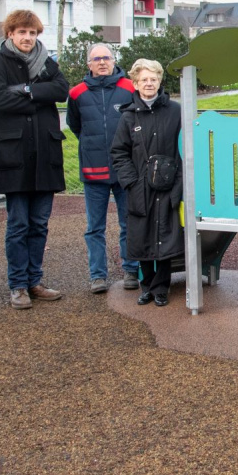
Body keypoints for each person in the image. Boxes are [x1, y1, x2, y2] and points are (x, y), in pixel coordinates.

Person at [0, 10, 70, 310]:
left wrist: (26, 90)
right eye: (22, 32)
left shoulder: (47, 61)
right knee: (18, 224)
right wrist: (38, 98)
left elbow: (61, 90)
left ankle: (35, 280)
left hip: (45, 155)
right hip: (15, 155)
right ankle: (18, 284)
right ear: (10, 33)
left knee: (40, 224)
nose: (27, 38)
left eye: (32, 33)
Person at [110, 59, 184, 307]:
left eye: (153, 79)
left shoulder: (175, 111)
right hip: (140, 186)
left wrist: (179, 179)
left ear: (160, 80)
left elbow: (185, 147)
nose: (149, 83)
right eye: (144, 79)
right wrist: (130, 182)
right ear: (135, 83)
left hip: (168, 184)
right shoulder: (129, 116)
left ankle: (161, 287)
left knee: (165, 233)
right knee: (141, 234)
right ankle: (147, 285)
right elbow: (119, 152)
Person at [68, 43, 141, 294]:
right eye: (96, 58)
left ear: (114, 61)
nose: (102, 62)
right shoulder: (77, 93)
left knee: (128, 222)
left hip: (124, 170)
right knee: (94, 228)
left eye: (106, 58)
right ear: (89, 64)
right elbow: (75, 126)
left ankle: (131, 270)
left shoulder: (129, 88)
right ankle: (97, 276)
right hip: (93, 170)